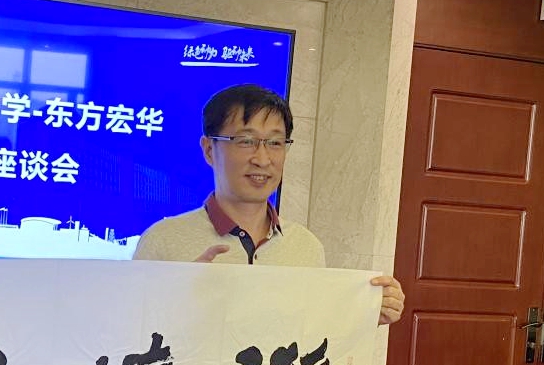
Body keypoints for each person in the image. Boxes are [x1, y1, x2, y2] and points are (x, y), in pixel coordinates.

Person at [133, 83, 406, 324]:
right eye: (246, 141)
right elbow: (131, 335)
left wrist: (367, 311)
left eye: (275, 143)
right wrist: (176, 296)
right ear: (208, 150)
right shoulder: (163, 241)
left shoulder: (306, 247)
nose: (262, 159)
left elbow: (312, 331)